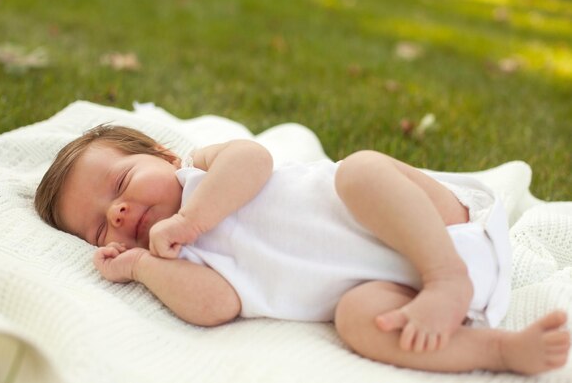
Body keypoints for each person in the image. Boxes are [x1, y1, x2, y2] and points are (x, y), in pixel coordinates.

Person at [35, 124, 569, 375]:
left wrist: (194, 219)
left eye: (122, 181)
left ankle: (447, 276)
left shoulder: (204, 169)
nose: (118, 214)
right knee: (357, 321)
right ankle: (498, 350)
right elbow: (215, 306)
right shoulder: (173, 259)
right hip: (404, 296)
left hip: (437, 229)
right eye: (98, 231)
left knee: (359, 171)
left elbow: (255, 160)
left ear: (163, 155)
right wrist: (140, 266)